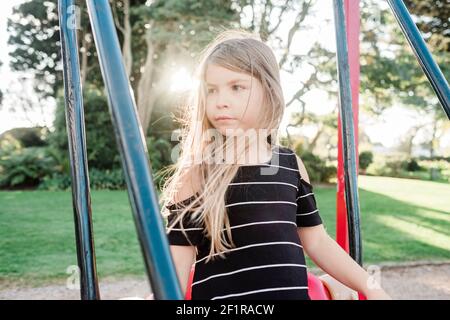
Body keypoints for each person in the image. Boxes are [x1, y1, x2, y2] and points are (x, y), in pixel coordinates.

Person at [158, 29, 391, 300]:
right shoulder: (198, 174)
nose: (220, 101)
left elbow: (317, 241)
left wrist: (371, 287)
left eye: (237, 87)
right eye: (211, 90)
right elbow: (175, 267)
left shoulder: (290, 165)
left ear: (268, 91)